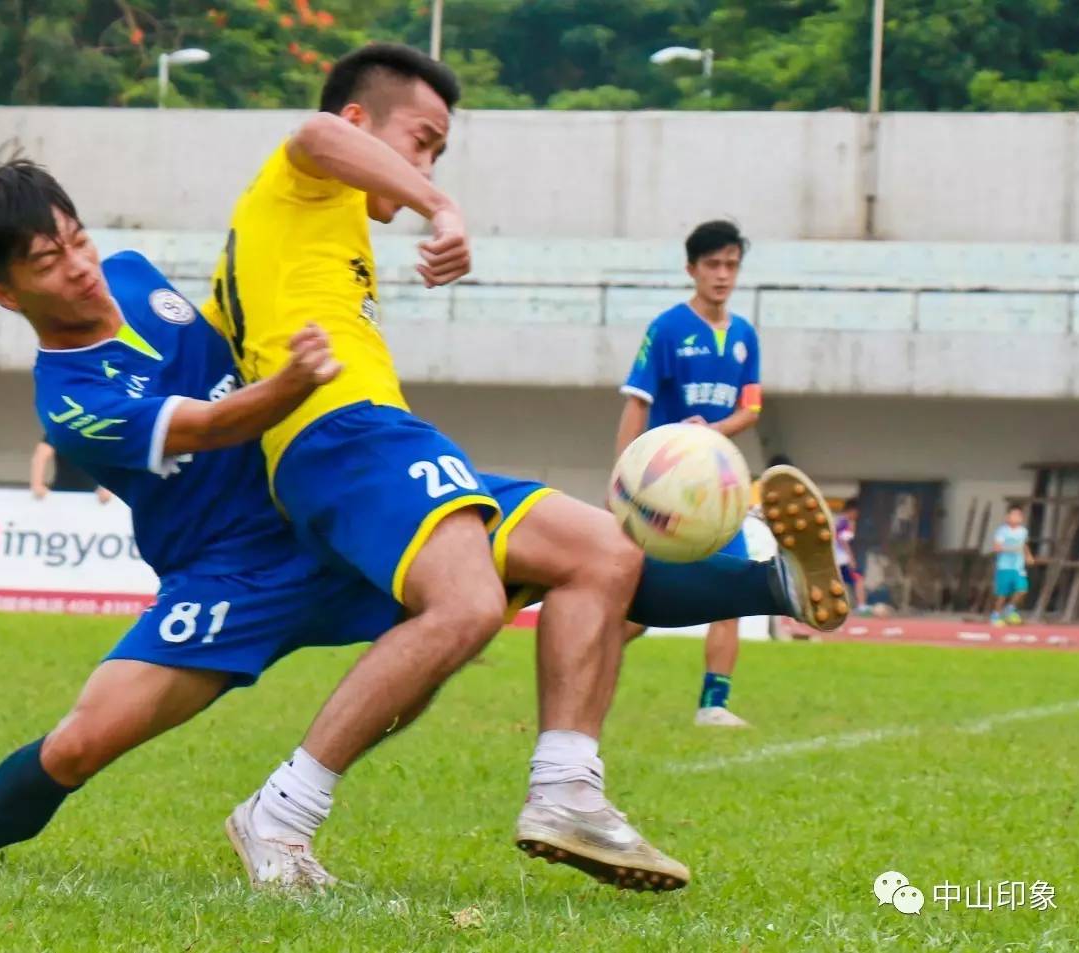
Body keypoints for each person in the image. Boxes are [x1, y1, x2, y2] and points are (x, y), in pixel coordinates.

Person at [0, 157, 838, 894]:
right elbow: (214, 421)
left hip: (332, 499)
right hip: (229, 570)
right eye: (49, 262)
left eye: (77, 237)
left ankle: (778, 586)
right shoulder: (70, 398)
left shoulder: (132, 273)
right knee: (83, 741)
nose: (80, 266)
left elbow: (236, 316)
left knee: (581, 552)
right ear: (4, 292)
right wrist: (295, 377)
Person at [203, 43, 849, 889]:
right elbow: (314, 134)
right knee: (468, 604)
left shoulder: (321, 234)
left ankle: (570, 787)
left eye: (439, 154)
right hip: (339, 438)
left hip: (387, 439)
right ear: (359, 119)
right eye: (422, 140)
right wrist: (441, 205)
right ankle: (280, 813)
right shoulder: (302, 180)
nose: (427, 164)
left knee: (602, 550)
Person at [614, 220, 843, 727]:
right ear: (691, 269)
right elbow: (637, 402)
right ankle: (586, 661)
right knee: (637, 604)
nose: (722, 275)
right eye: (712, 265)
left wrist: (709, 433)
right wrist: (623, 480)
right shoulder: (668, 329)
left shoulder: (744, 335)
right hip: (663, 489)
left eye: (731, 265)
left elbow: (751, 409)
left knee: (732, 590)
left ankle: (713, 705)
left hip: (717, 488)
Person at [29, 435, 112, 503]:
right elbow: (40, 456)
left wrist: (108, 488)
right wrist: (37, 485)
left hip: (94, 498)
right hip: (60, 495)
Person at [991, 504, 1034, 625]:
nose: (1016, 518)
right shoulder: (1002, 531)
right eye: (1013, 515)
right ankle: (995, 615)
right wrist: (1011, 549)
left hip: (1018, 567)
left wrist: (1028, 555)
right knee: (1002, 594)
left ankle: (1009, 609)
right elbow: (996, 547)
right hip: (1004, 567)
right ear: (1007, 517)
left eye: (1018, 516)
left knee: (1022, 589)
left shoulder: (1023, 531)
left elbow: (1024, 545)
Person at [835, 498, 867, 612]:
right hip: (842, 558)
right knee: (858, 579)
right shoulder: (845, 522)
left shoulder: (839, 520)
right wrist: (851, 558)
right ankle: (861, 605)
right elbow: (843, 541)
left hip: (838, 558)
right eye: (857, 512)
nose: (857, 515)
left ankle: (843, 605)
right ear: (852, 510)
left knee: (841, 582)